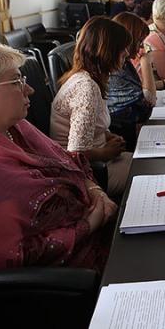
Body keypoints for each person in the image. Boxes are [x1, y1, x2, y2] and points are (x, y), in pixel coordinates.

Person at [0, 39, 115, 273]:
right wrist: (89, 224)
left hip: (99, 234)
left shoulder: (15, 127)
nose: (29, 89)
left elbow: (69, 163)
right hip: (73, 274)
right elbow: (11, 257)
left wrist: (95, 191)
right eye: (16, 81)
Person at [51, 17, 132, 198]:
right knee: (150, 171)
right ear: (107, 51)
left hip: (98, 163)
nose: (127, 53)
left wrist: (107, 136)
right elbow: (76, 151)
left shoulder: (88, 79)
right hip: (84, 173)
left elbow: (90, 127)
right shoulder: (86, 87)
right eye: (122, 48)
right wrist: (105, 152)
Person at [109, 13, 157, 148]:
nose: (141, 47)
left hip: (128, 131)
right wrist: (146, 63)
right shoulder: (115, 69)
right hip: (121, 138)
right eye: (139, 42)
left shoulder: (124, 62)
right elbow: (148, 102)